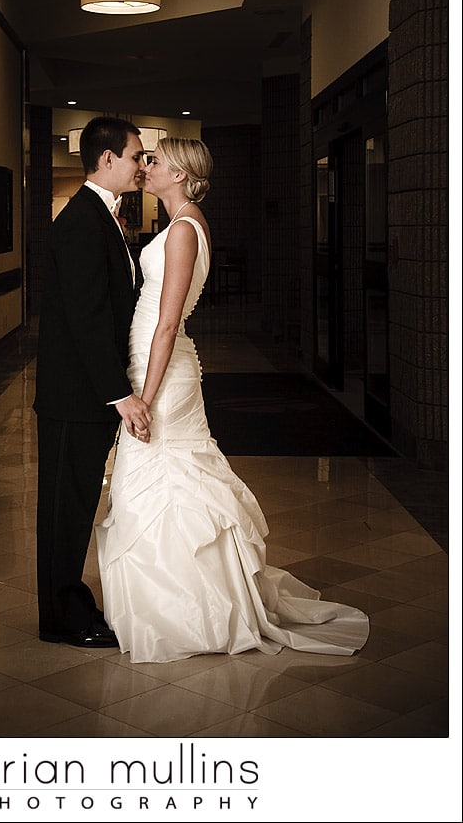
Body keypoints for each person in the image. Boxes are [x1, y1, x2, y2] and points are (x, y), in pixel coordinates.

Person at [96, 137, 369, 663]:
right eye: (145, 159)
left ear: (180, 174)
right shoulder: (187, 223)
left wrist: (144, 398)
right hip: (157, 366)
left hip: (163, 375)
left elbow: (170, 322)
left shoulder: (182, 230)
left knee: (158, 482)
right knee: (163, 484)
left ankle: (184, 612)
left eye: (157, 161)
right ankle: (180, 602)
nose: (146, 167)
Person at [34, 116, 152, 647]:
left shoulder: (104, 218)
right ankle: (62, 618)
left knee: (76, 504)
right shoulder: (83, 221)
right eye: (135, 155)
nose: (141, 165)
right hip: (73, 396)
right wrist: (120, 394)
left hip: (84, 394)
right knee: (65, 509)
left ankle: (68, 606)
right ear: (107, 159)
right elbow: (86, 318)